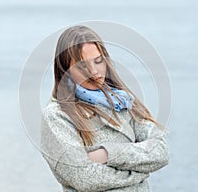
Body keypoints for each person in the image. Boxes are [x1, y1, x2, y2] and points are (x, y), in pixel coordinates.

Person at [40, 25, 169, 192]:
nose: (94, 72)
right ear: (65, 70)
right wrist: (139, 174)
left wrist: (108, 153)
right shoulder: (56, 116)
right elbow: (84, 177)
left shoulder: (123, 101)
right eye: (82, 66)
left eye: (98, 61)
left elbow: (160, 151)